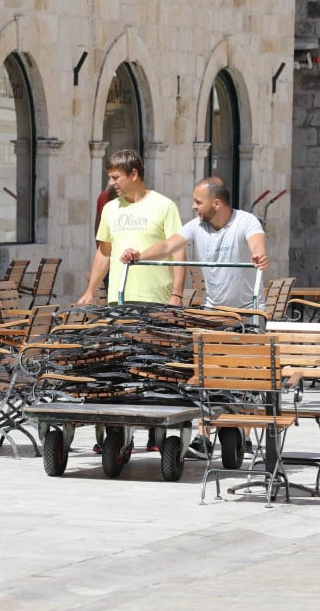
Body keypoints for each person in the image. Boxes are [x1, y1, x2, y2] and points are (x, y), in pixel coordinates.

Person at [120, 175, 269, 458]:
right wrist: (139, 255)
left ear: (216, 203)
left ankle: (244, 435)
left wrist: (259, 255)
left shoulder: (245, 221)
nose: (193, 207)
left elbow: (256, 242)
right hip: (214, 313)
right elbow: (168, 245)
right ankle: (203, 437)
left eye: (198, 202)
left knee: (247, 376)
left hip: (248, 312)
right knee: (206, 373)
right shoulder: (198, 227)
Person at [78, 149, 187, 452]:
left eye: (115, 177)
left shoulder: (164, 206)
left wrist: (177, 293)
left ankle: (157, 434)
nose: (111, 183)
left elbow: (178, 250)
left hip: (156, 299)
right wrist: (90, 290)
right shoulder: (111, 209)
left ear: (133, 174)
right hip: (119, 301)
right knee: (119, 365)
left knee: (154, 366)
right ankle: (117, 431)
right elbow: (104, 252)